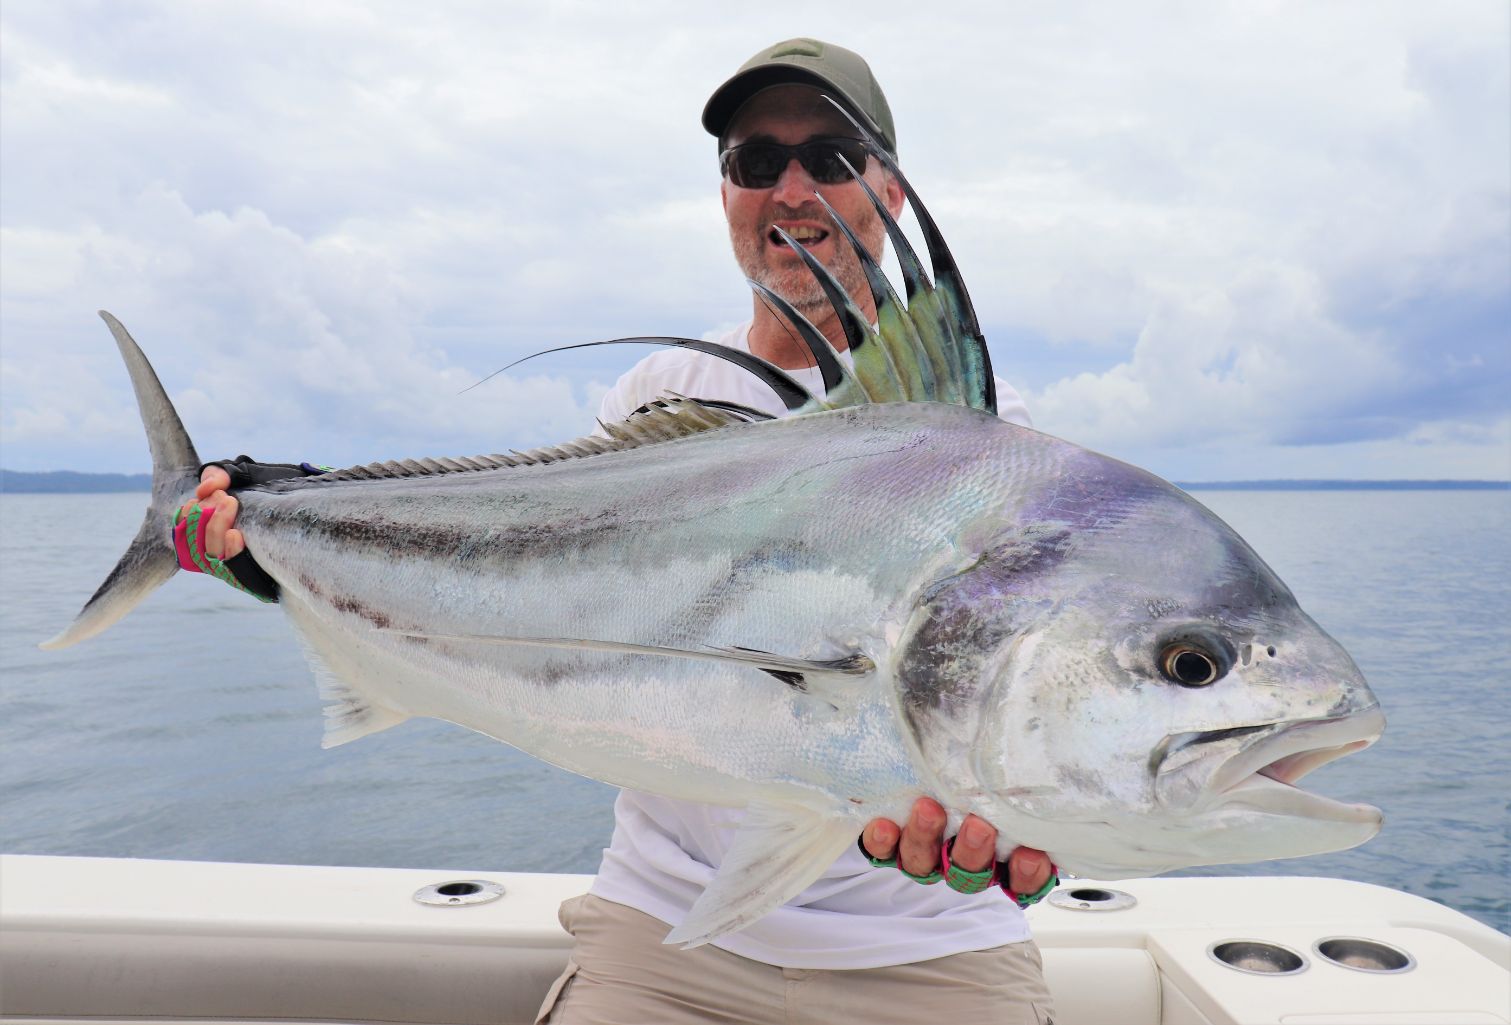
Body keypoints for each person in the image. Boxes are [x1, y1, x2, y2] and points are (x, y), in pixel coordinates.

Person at [184, 38, 1057, 1025]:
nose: (793, 187)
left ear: (889, 190)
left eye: (832, 156)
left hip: (932, 950)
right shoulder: (660, 395)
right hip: (666, 932)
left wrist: (1051, 827)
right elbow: (526, 575)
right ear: (726, 193)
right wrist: (282, 540)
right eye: (755, 162)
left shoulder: (990, 441)